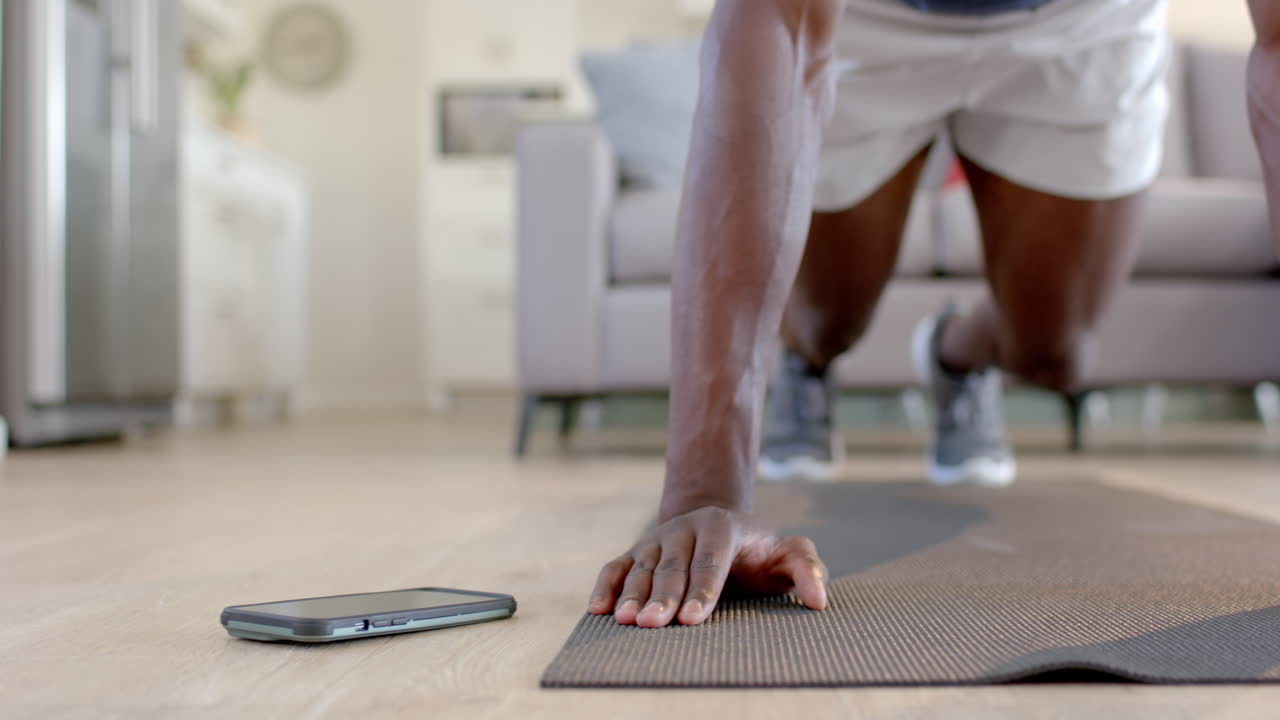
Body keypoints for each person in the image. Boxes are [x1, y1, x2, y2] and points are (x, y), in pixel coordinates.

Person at [588, 0, 1280, 629]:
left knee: (1055, 351)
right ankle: (808, 362)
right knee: (829, 319)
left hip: (1080, 20)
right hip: (864, 20)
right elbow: (768, 15)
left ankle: (955, 355)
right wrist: (704, 494)